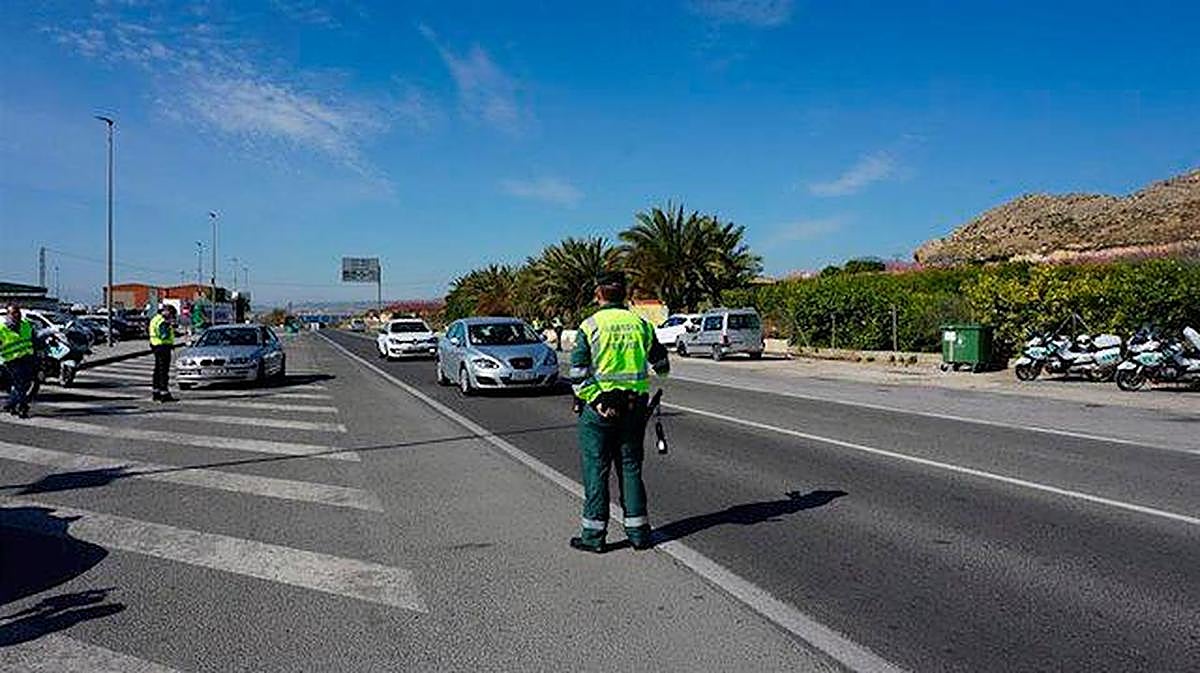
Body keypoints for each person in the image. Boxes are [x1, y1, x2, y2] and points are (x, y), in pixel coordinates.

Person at [567, 272, 670, 553]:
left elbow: (577, 375)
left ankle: (594, 537)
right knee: (631, 468)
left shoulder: (590, 326)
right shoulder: (642, 325)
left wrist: (597, 399)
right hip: (634, 410)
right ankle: (639, 535)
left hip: (599, 412)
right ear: (624, 294)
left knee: (596, 471)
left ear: (598, 294)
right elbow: (663, 367)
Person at [1, 304, 36, 418]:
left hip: (27, 358)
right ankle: (22, 407)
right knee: (20, 384)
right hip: (12, 360)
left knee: (26, 384)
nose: (17, 315)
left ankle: (10, 404)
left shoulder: (26, 324)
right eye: (13, 313)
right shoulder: (2, 328)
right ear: (8, 315)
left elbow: (33, 339)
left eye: (18, 312)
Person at [149, 304, 178, 402]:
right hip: (163, 346)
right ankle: (164, 393)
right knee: (163, 371)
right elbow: (164, 335)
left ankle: (156, 392)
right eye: (171, 314)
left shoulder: (155, 319)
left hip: (155, 345)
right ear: (167, 312)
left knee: (157, 370)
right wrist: (169, 326)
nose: (172, 317)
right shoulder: (163, 321)